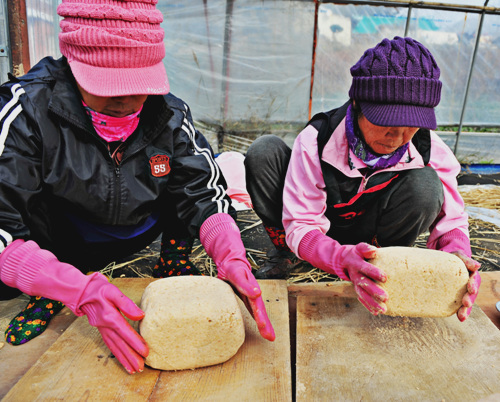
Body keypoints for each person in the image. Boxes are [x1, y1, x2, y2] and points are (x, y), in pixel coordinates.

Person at [0, 0, 275, 374]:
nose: (125, 99)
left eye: (137, 85)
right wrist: (72, 288)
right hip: (66, 236)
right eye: (108, 85)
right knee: (31, 275)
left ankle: (172, 261)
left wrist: (231, 254)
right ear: (73, 63)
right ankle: (50, 288)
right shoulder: (27, 112)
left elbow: (205, 193)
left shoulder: (170, 115)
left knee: (183, 180)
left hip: (140, 226)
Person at [244, 36, 481, 321]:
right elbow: (302, 222)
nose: (398, 137)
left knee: (426, 186)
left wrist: (458, 260)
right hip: (319, 232)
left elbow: (452, 221)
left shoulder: (427, 148)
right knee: (264, 152)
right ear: (357, 103)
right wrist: (340, 258)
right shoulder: (317, 140)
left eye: (412, 126)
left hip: (369, 236)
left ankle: (381, 267)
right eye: (386, 122)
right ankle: (287, 253)